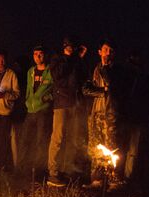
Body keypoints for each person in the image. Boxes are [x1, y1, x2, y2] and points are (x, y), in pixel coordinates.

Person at [83, 39, 125, 188]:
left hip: (110, 114)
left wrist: (105, 69)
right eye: (105, 50)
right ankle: (97, 179)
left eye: (111, 51)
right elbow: (86, 89)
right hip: (96, 113)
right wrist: (102, 91)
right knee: (96, 146)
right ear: (100, 52)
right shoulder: (95, 69)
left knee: (111, 146)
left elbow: (113, 86)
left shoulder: (116, 70)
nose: (108, 53)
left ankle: (113, 178)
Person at [47, 37, 87, 187]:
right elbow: (57, 75)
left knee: (72, 138)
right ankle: (53, 173)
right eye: (69, 46)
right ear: (64, 46)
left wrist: (80, 59)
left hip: (74, 103)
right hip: (61, 103)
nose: (71, 48)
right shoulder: (57, 59)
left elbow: (83, 78)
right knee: (58, 137)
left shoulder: (76, 60)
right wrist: (69, 58)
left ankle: (65, 170)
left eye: (73, 46)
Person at [119, 50, 149, 181]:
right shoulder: (125, 78)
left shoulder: (144, 80)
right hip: (126, 118)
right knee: (125, 150)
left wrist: (147, 116)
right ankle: (120, 177)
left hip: (136, 119)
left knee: (132, 151)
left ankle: (127, 178)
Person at [20, 45, 53, 172]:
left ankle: (39, 170)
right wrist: (28, 101)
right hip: (31, 109)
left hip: (43, 110)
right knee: (25, 139)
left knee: (41, 140)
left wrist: (47, 98)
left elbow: (57, 89)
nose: (38, 56)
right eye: (35, 54)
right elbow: (29, 88)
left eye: (40, 53)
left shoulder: (51, 71)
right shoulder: (31, 71)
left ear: (45, 55)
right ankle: (22, 168)